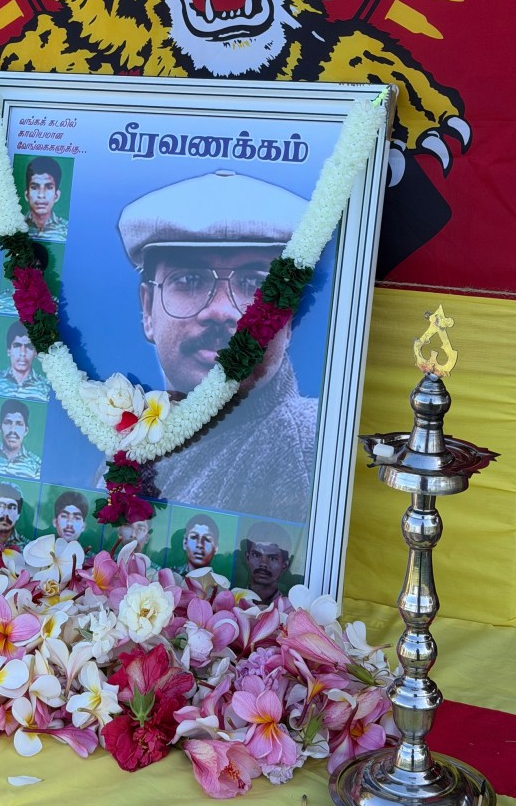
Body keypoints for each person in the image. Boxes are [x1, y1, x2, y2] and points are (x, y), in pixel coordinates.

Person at [105, 170, 319, 521]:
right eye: (190, 279)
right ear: (147, 309)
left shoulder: (304, 444)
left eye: (255, 283)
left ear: (289, 315)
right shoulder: (138, 437)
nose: (220, 311)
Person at [0, 398, 42, 481]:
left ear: (26, 430)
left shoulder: (37, 466)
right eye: (8, 423)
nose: (13, 430)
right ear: (0, 427)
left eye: (19, 424)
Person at [0, 321, 50, 401]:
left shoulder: (46, 388)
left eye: (29, 346)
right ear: (9, 350)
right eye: (17, 346)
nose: (23, 353)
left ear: (35, 352)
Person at [243, 521, 293, 604]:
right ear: (247, 558)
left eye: (272, 558)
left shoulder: (291, 608)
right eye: (256, 555)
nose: (263, 564)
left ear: (285, 565)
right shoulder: (233, 601)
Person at [24, 155, 68, 240]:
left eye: (48, 187)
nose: (41, 195)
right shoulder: (15, 226)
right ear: (27, 195)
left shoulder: (67, 229)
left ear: (56, 195)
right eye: (34, 187)